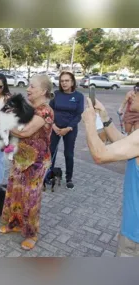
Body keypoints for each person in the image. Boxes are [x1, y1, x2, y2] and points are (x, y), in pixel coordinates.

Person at [0, 74, 54, 251]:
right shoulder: (29, 107)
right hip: (21, 157)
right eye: (28, 86)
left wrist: (5, 123)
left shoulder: (45, 111)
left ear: (43, 91)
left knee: (31, 197)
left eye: (32, 86)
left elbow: (25, 132)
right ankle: (14, 223)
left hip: (37, 161)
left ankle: (32, 234)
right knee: (15, 191)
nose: (28, 89)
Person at [82, 94, 139, 257]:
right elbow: (124, 143)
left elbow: (100, 155)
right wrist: (104, 117)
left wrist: (89, 122)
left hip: (135, 237)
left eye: (138, 89)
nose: (131, 94)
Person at [48, 71, 84, 190]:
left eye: (67, 80)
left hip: (70, 129)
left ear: (72, 82)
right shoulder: (56, 94)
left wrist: (68, 128)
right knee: (51, 151)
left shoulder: (79, 96)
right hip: (55, 128)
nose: (64, 83)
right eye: (62, 81)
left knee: (68, 154)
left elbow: (78, 115)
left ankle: (69, 178)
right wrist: (53, 125)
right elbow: (49, 110)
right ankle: (49, 175)